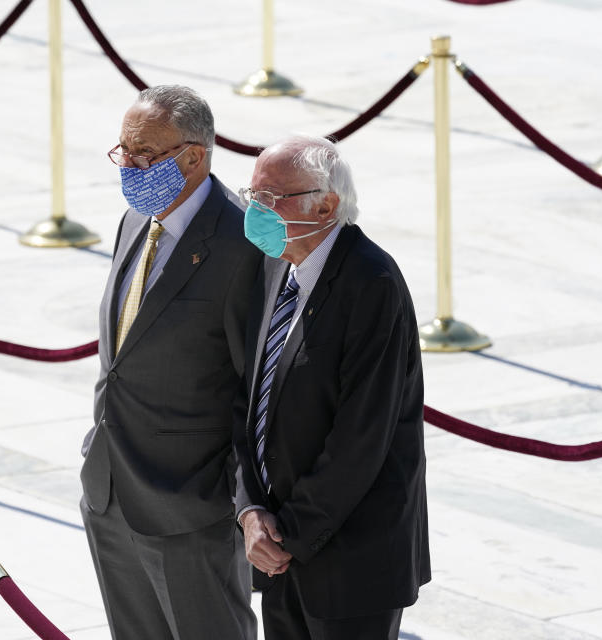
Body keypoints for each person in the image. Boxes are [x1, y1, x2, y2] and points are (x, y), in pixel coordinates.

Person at [80, 85, 260, 640]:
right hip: (111, 491)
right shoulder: (136, 219)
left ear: (194, 156)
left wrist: (234, 500)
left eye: (146, 155)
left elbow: (256, 388)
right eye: (124, 152)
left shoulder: (246, 242)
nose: (130, 166)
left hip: (190, 508)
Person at [234, 135, 430, 640]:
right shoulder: (278, 265)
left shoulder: (372, 282)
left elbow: (361, 438)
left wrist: (288, 537)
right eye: (253, 195)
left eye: (272, 198)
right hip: (281, 549)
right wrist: (251, 511)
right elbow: (251, 399)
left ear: (326, 204)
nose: (257, 210)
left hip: (349, 561)